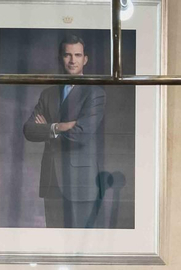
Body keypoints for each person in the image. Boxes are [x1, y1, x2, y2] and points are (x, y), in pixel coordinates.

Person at [22, 31, 106, 229]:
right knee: (54, 244)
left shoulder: (95, 93)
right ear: (61, 58)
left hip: (81, 183)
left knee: (79, 246)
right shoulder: (48, 93)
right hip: (51, 181)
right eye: (67, 55)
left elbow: (81, 135)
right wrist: (58, 126)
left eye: (77, 55)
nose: (72, 60)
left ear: (85, 59)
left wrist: (47, 130)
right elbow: (28, 130)